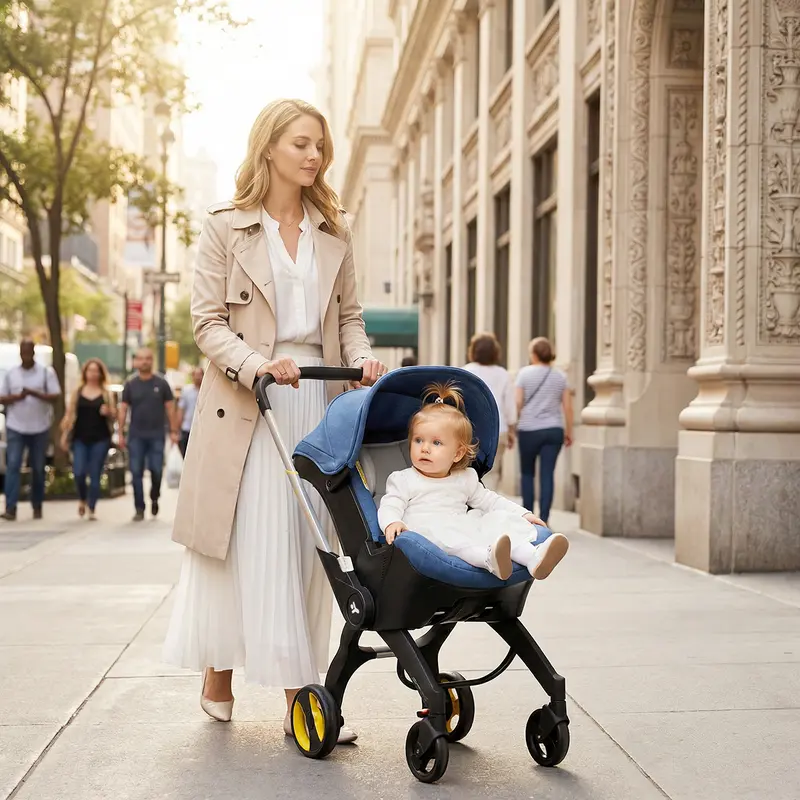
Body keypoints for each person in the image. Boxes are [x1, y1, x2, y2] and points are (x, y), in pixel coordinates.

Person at [161, 98, 387, 744]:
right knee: (256, 540)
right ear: (269, 150)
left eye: (320, 145)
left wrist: (365, 359)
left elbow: (348, 319)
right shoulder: (225, 229)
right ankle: (292, 694)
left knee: (308, 544)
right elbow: (207, 323)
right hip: (250, 403)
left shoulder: (333, 234)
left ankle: (253, 675)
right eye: (301, 144)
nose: (314, 156)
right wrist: (257, 363)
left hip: (315, 401)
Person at [378, 381, 569, 580]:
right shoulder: (404, 479)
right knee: (462, 544)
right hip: (428, 532)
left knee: (496, 523)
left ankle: (533, 558)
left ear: (457, 453)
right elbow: (390, 504)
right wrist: (392, 522)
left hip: (461, 523)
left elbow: (490, 501)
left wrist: (522, 514)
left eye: (436, 443)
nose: (424, 448)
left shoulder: (465, 478)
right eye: (418, 440)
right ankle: (489, 560)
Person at [0, 339, 62, 521]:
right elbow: (2, 397)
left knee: (37, 468)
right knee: (13, 465)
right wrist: (18, 397)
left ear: (34, 353)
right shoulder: (11, 373)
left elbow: (55, 395)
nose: (25, 356)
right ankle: (10, 507)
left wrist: (35, 393)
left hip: (39, 427)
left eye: (28, 353)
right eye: (23, 353)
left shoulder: (45, 373)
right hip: (15, 426)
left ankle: (37, 505)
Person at [515, 337, 573, 524]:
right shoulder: (560, 376)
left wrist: (513, 425)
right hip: (553, 429)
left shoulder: (524, 374)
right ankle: (545, 518)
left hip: (529, 429)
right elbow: (568, 407)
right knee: (547, 474)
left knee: (527, 474)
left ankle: (528, 519)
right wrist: (569, 431)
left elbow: (517, 402)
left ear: (533, 354)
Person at [117, 348, 179, 522]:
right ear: (136, 361)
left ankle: (154, 497)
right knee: (135, 471)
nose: (144, 362)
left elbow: (170, 408)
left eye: (148, 359)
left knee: (156, 470)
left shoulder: (161, 383)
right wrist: (120, 433)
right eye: (141, 359)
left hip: (157, 435)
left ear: (152, 361)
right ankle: (139, 507)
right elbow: (123, 409)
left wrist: (174, 431)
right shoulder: (130, 384)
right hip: (136, 435)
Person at [59, 358, 115, 520]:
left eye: (96, 370)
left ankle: (92, 507)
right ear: (85, 372)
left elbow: (114, 414)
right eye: (90, 370)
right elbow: (69, 416)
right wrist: (64, 436)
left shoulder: (106, 393)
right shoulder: (78, 392)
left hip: (100, 438)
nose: (93, 374)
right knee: (79, 472)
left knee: (96, 474)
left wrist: (109, 411)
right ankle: (82, 498)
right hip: (80, 438)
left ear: (100, 373)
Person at [463, 332, 516, 491]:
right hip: (498, 429)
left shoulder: (466, 371)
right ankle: (488, 506)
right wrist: (512, 430)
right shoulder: (503, 374)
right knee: (492, 472)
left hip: (470, 428)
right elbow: (510, 405)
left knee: (468, 469)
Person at [176, 366, 203, 458]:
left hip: (202, 429)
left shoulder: (207, 391)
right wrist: (177, 428)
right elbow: (181, 409)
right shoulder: (186, 391)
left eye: (200, 375)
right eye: (196, 375)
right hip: (187, 428)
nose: (198, 377)